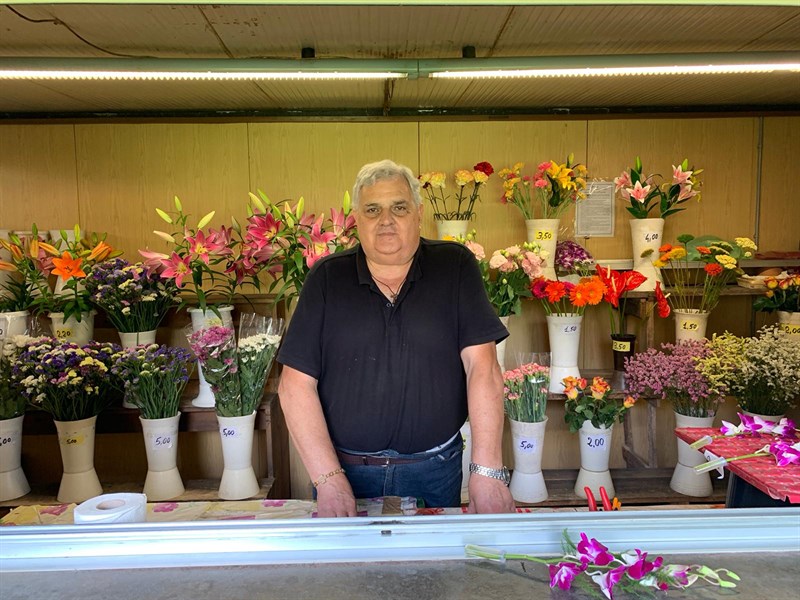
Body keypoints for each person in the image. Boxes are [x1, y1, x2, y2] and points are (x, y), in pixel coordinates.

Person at [277, 159, 515, 517]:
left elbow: (483, 368)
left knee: (438, 570)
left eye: (399, 207)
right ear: (357, 219)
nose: (385, 219)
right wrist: (328, 479)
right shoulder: (327, 278)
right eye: (372, 209)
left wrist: (487, 472)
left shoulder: (454, 266)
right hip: (344, 470)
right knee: (347, 572)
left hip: (435, 469)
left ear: (418, 214)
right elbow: (294, 385)